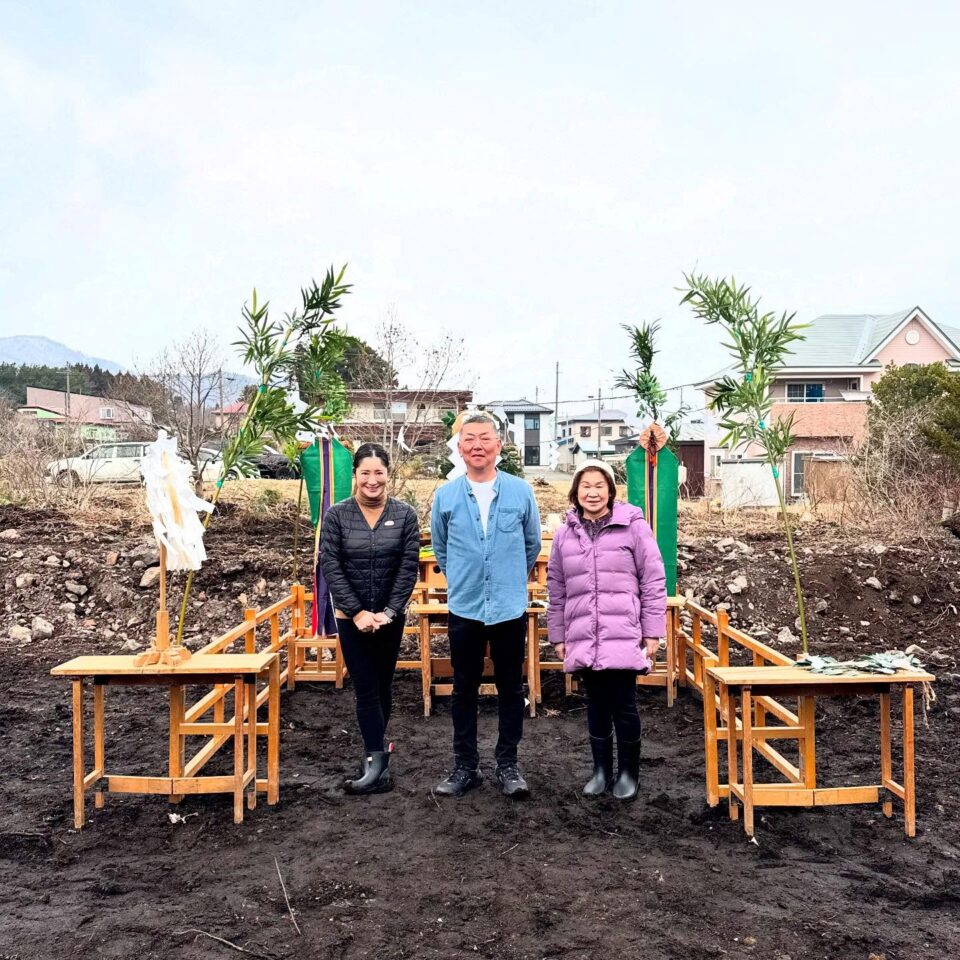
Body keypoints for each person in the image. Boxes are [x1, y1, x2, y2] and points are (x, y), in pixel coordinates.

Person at [431, 413, 542, 798]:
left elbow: (532, 545)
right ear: (459, 448)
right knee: (464, 688)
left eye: (485, 438)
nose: (477, 445)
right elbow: (442, 550)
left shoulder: (521, 492)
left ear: (498, 445)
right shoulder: (445, 496)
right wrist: (467, 577)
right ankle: (465, 766)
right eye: (469, 439)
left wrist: (507, 578)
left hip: (509, 608)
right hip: (465, 608)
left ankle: (508, 765)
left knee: (511, 688)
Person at [547, 459, 666, 802]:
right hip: (583, 632)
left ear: (611, 491)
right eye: (586, 486)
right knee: (595, 703)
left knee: (624, 703)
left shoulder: (633, 527)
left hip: (624, 630)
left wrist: (652, 631)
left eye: (600, 485)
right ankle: (601, 770)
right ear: (575, 492)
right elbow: (557, 588)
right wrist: (558, 635)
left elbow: (654, 580)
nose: (593, 492)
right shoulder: (565, 533)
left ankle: (628, 772)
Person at [320, 442, 420, 795]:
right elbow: (330, 564)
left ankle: (376, 754)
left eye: (379, 473)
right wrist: (358, 611)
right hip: (352, 618)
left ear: (388, 475)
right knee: (364, 687)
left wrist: (389, 612)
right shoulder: (337, 515)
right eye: (366, 473)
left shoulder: (405, 515)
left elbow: (408, 567)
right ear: (356, 476)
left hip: (390, 617)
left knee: (382, 685)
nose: (372, 480)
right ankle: (376, 763)